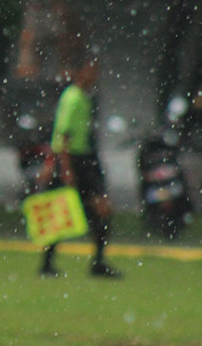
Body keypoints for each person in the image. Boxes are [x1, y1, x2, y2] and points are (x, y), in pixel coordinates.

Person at [40, 58, 122, 278]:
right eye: (90, 70)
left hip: (85, 158)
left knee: (98, 209)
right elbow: (63, 135)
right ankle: (48, 264)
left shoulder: (86, 98)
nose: (95, 75)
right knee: (63, 211)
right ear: (80, 73)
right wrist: (65, 168)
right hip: (74, 160)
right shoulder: (72, 98)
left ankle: (97, 261)